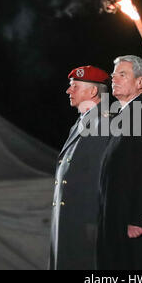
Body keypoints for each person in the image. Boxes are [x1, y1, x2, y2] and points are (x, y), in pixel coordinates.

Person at [97, 55, 142, 270]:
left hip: (132, 222)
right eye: (113, 74)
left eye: (122, 74)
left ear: (140, 82)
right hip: (116, 216)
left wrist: (139, 217)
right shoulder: (125, 115)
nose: (114, 79)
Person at [49, 65, 111, 270]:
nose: (69, 90)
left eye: (75, 86)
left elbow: (98, 176)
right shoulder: (80, 123)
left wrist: (93, 220)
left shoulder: (103, 123)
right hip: (70, 219)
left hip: (84, 220)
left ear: (93, 92)